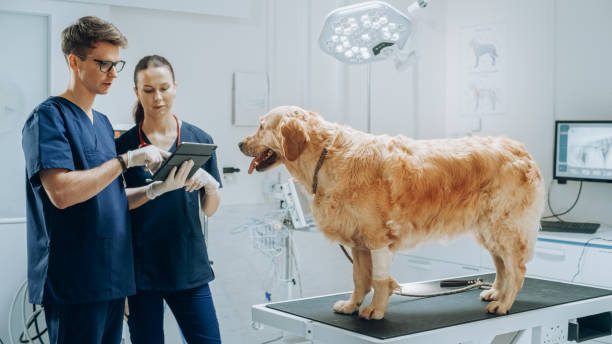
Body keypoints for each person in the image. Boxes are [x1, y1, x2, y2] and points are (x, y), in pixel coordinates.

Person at [21, 17, 188, 344]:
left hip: (113, 280)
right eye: (103, 64)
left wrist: (156, 189)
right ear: (74, 61)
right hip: (75, 281)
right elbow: (62, 193)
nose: (113, 74)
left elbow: (111, 198)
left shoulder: (102, 124)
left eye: (116, 65)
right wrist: (125, 160)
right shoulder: (48, 117)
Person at [115, 55, 222, 343]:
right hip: (141, 274)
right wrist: (153, 190)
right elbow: (114, 205)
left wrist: (211, 188)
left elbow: (209, 210)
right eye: (148, 90)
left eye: (164, 88)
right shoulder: (124, 148)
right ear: (137, 92)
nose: (157, 97)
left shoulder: (198, 139)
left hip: (189, 268)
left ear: (175, 87)